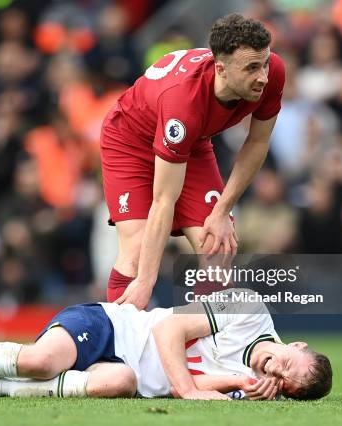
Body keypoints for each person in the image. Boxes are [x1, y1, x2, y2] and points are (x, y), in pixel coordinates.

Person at [101, 14, 285, 308]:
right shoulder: (183, 104)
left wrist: (222, 211)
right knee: (135, 254)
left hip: (191, 140)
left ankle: (206, 349)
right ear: (221, 69)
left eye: (263, 63)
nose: (262, 76)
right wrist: (146, 282)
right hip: (130, 142)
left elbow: (258, 141)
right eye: (251, 68)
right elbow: (164, 201)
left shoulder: (273, 71)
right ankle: (120, 349)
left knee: (217, 246)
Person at [0, 289, 332, 401]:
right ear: (297, 342)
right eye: (289, 362)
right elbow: (169, 333)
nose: (277, 371)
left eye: (285, 383)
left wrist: (233, 382)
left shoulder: (252, 388)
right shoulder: (246, 308)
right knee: (39, 361)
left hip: (127, 370)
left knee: (119, 383)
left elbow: (181, 385)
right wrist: (191, 392)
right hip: (113, 326)